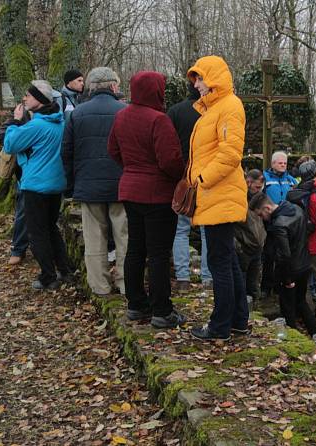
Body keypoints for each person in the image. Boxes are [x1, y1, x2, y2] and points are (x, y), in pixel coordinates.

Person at [107, 71, 185, 328]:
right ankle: (162, 310)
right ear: (157, 91)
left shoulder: (121, 116)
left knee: (136, 249)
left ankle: (136, 304)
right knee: (159, 253)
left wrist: (131, 168)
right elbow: (170, 160)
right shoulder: (158, 120)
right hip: (158, 194)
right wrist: (180, 176)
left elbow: (113, 150)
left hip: (130, 190)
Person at [183, 56, 249, 341]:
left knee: (220, 262)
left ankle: (220, 325)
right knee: (227, 259)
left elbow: (230, 153)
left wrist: (201, 180)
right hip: (215, 194)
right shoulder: (214, 109)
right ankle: (237, 321)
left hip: (218, 193)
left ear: (214, 78)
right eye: (194, 79)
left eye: (200, 78)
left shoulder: (229, 106)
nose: (196, 84)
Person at [62, 67, 127, 296]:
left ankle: (99, 285)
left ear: (90, 87)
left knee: (94, 238)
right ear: (112, 86)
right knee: (124, 236)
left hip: (88, 185)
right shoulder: (125, 111)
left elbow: (67, 152)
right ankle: (125, 282)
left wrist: (71, 185)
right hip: (121, 185)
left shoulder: (77, 113)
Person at [2, 80, 71, 290]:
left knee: (36, 232)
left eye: (28, 96)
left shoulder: (37, 125)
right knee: (51, 228)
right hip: (56, 184)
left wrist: (14, 121)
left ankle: (48, 276)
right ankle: (65, 271)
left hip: (35, 185)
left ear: (39, 101)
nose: (25, 99)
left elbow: (10, 144)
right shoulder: (59, 122)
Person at [250, 193, 316, 335]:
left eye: (260, 215)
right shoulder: (296, 209)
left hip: (290, 270)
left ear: (267, 208)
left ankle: (292, 337)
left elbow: (284, 254)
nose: (261, 219)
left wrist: (287, 279)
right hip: (305, 264)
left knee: (288, 308)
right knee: (301, 302)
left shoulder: (278, 225)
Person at [168, 81, 212, 292]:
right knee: (207, 230)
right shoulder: (212, 111)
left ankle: (183, 278)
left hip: (183, 175)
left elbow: (169, 145)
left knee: (181, 229)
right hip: (208, 176)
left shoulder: (175, 112)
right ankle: (207, 277)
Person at [286, 160, 316, 326]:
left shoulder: (292, 194)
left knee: (303, 282)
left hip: (299, 245)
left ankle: (308, 317)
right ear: (315, 175)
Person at [0, 107, 31, 266]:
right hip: (23, 174)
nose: (27, 99)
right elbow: (2, 136)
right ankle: (18, 249)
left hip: (44, 172)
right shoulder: (20, 115)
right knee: (22, 212)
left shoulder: (50, 115)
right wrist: (16, 122)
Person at [234, 169, 266, 305]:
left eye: (261, 187)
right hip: (243, 247)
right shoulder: (238, 198)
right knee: (241, 284)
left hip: (257, 248)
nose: (259, 190)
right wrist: (238, 246)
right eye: (257, 187)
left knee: (253, 286)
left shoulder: (260, 197)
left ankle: (254, 311)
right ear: (248, 182)